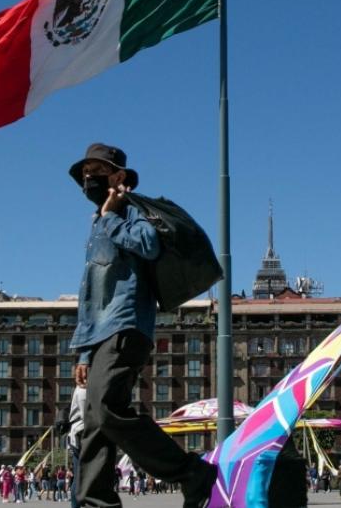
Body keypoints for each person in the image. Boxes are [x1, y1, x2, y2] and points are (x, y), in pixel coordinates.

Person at [67, 144, 217, 508]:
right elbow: (91, 294)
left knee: (106, 408)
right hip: (99, 333)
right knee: (92, 428)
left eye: (97, 170)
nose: (89, 177)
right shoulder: (97, 223)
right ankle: (94, 503)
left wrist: (113, 216)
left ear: (118, 177)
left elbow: (149, 246)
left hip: (126, 326)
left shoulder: (130, 211)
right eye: (85, 171)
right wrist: (85, 351)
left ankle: (190, 471)